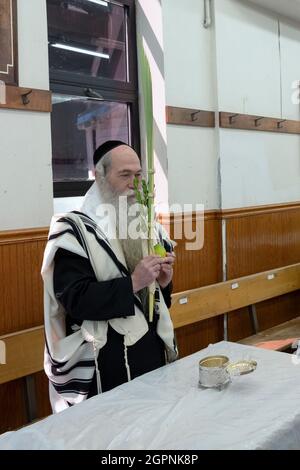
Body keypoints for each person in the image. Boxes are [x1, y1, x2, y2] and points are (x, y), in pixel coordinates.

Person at [42, 140, 178, 412]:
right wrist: (133, 282)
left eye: (138, 175)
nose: (134, 183)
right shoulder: (73, 230)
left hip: (151, 351)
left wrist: (163, 283)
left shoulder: (148, 225)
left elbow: (154, 300)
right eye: (125, 175)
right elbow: (76, 300)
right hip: (104, 363)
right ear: (100, 176)